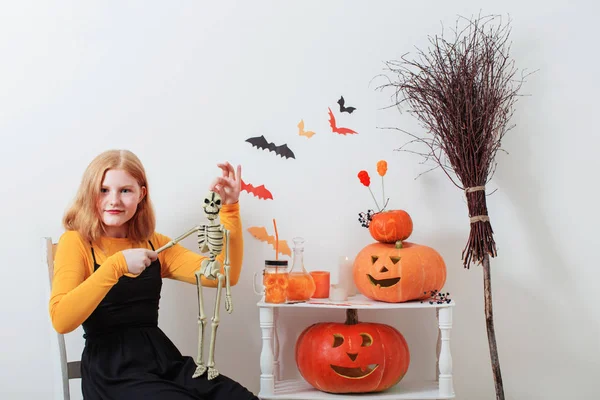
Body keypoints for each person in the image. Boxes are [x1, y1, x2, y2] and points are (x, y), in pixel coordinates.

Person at [49, 149, 259, 400]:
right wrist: (116, 265)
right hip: (112, 372)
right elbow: (61, 320)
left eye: (125, 190)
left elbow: (225, 276)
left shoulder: (153, 243)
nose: (113, 200)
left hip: (163, 361)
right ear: (89, 193)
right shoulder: (76, 243)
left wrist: (230, 209)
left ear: (141, 194)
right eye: (103, 190)